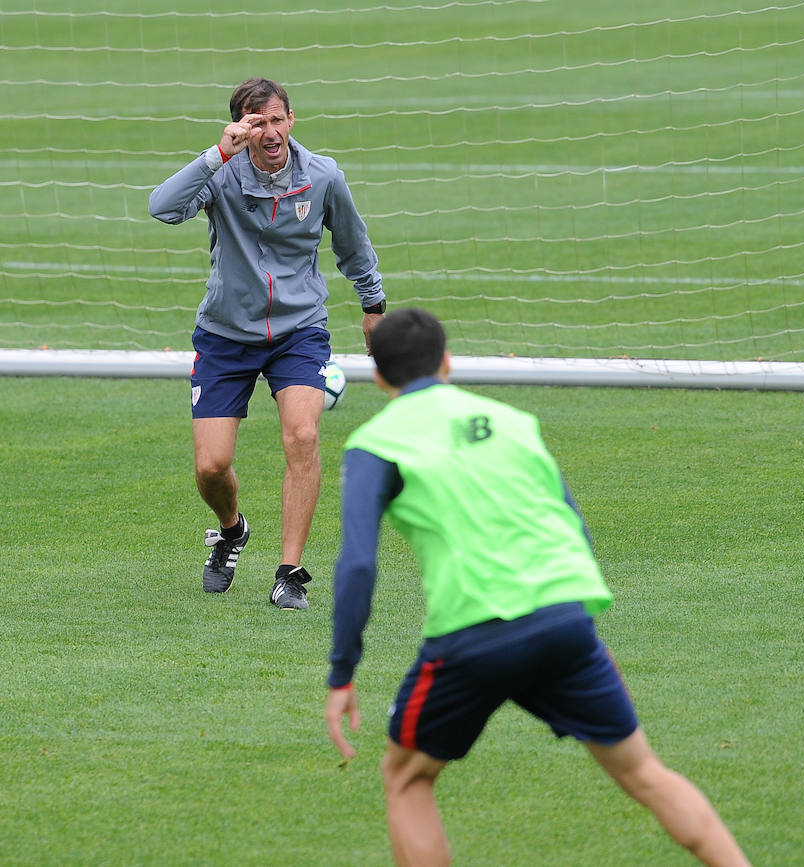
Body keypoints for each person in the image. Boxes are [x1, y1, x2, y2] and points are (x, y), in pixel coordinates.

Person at [324, 308, 751, 866]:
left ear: (378, 378)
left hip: (471, 635)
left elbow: (357, 564)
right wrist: (583, 631)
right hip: (562, 622)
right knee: (644, 773)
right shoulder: (512, 421)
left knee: (406, 778)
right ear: (447, 362)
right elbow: (570, 524)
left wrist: (342, 671)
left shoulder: (374, 443)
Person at [149, 77, 386, 610]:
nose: (270, 131)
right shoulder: (222, 174)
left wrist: (373, 309)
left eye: (277, 119)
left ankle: (290, 573)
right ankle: (231, 531)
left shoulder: (322, 176)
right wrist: (216, 154)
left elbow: (354, 246)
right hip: (225, 336)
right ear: (240, 127)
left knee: (302, 435)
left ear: (291, 120)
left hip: (299, 332)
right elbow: (162, 208)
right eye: (257, 123)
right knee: (211, 466)